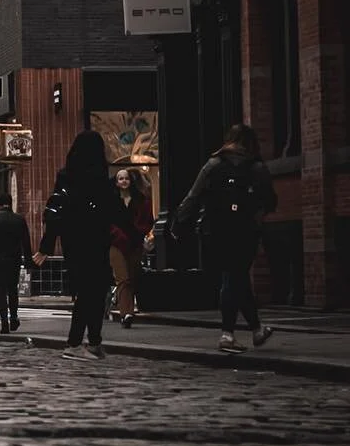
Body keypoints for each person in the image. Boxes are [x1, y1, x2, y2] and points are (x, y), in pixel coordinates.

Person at [175, 124, 276, 353]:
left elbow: (193, 196)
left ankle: (257, 329)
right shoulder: (257, 167)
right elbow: (270, 200)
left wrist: (178, 223)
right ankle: (227, 334)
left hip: (215, 230)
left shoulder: (214, 164)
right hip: (245, 231)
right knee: (235, 276)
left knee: (235, 277)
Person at [35, 129, 115, 357]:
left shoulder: (67, 176)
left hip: (75, 241)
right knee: (94, 292)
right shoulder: (98, 178)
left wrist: (47, 246)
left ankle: (89, 342)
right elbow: (110, 210)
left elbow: (54, 211)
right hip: (95, 240)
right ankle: (80, 342)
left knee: (90, 291)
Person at [108, 167, 154, 328]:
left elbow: (148, 220)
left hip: (134, 243)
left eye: (126, 178)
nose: (124, 181)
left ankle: (128, 311)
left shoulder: (140, 200)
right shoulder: (111, 200)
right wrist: (116, 234)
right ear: (116, 182)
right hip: (116, 243)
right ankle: (125, 313)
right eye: (120, 178)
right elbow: (106, 222)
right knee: (123, 278)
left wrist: (140, 232)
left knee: (132, 277)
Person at [0, 195, 34, 334]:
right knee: (12, 289)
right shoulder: (19, 219)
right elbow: (26, 242)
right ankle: (14, 317)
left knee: (1, 290)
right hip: (14, 258)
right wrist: (29, 261)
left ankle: (4, 322)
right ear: (10, 204)